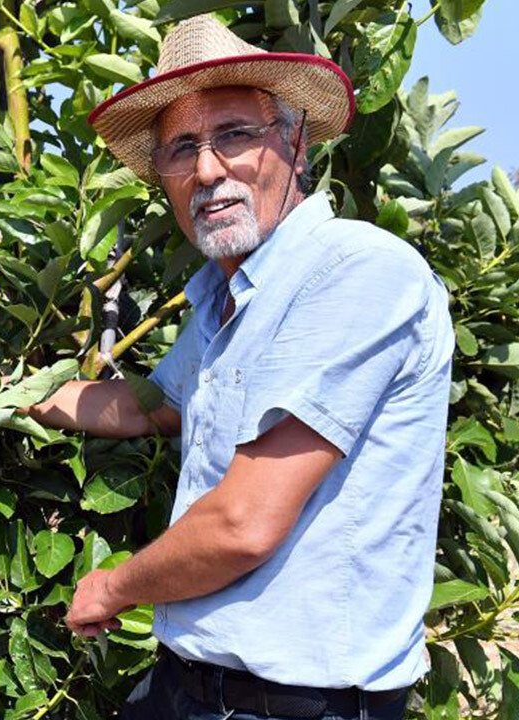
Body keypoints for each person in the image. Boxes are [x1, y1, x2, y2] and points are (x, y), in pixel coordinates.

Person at [27, 15, 451, 720]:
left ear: (295, 141)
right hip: (188, 687)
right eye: (182, 148)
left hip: (298, 707)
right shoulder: (225, 301)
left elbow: (243, 524)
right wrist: (18, 398)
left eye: (234, 135)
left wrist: (113, 588)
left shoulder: (356, 272)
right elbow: (151, 406)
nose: (207, 169)